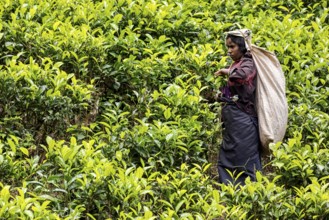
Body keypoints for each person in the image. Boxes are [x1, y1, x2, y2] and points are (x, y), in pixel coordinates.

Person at [214, 29, 262, 185]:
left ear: (241, 46)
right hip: (234, 120)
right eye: (227, 47)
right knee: (229, 155)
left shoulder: (248, 62)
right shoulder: (238, 62)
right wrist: (221, 95)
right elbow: (236, 90)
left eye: (232, 47)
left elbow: (242, 77)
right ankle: (229, 191)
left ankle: (249, 192)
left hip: (244, 120)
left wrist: (227, 71)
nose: (229, 51)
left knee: (245, 157)